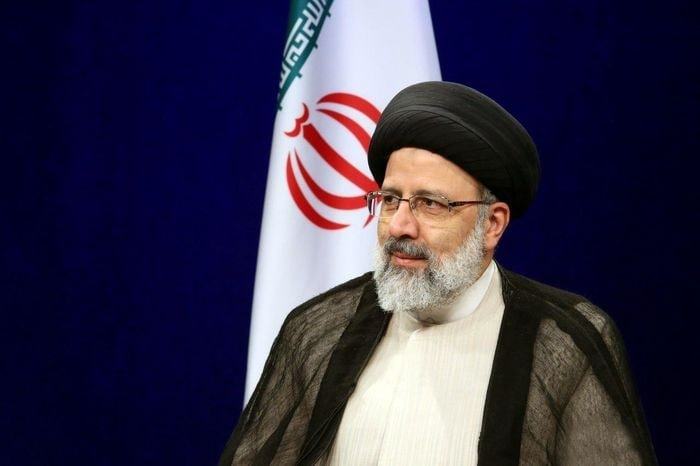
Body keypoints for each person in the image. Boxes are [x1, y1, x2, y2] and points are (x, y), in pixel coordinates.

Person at [218, 81, 657, 465]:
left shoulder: (561, 341)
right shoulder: (318, 328)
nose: (400, 226)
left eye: (430, 204)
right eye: (390, 200)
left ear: (493, 224)